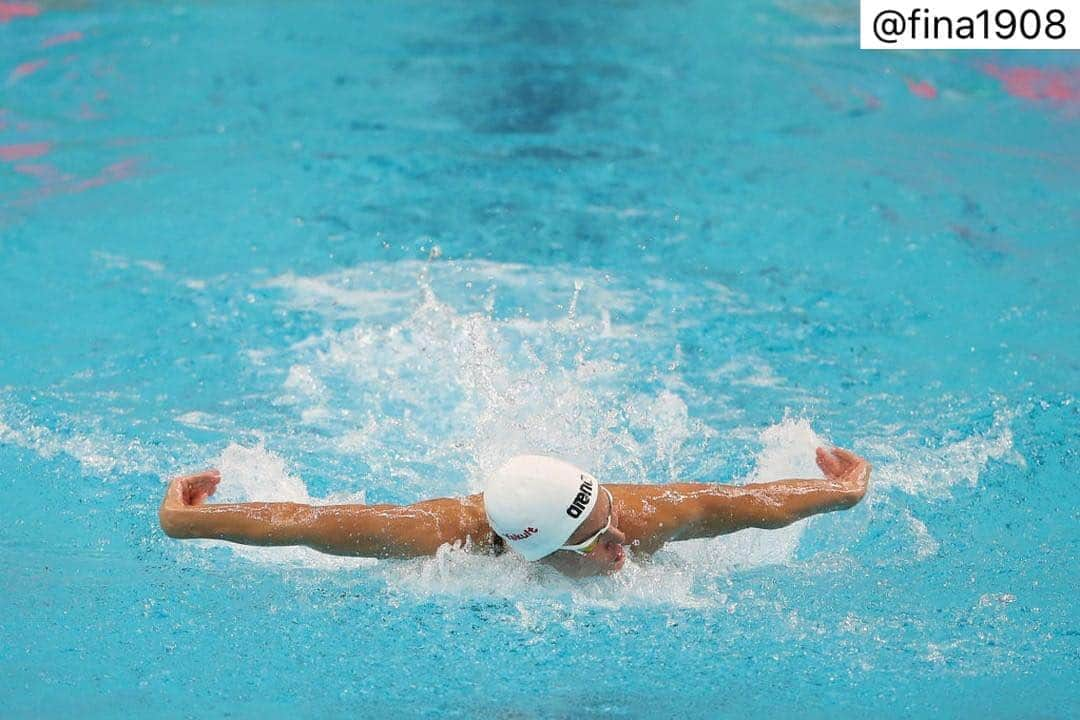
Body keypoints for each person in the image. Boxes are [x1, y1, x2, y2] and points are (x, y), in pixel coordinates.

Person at [159, 446, 870, 577]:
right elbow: (310, 525)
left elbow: (753, 505)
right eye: (593, 543)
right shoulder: (442, 537)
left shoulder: (642, 517)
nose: (621, 546)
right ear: (534, 549)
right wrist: (187, 519)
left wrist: (844, 491)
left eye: (611, 522)